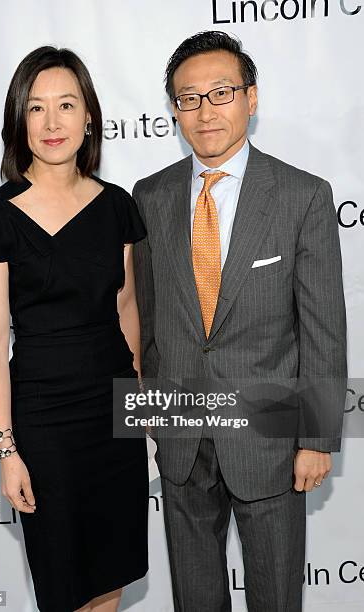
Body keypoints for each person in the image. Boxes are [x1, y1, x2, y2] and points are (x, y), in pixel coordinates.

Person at [133, 31, 346, 612]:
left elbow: (323, 327)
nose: (205, 111)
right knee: (195, 599)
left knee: (276, 597)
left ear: (252, 98)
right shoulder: (148, 197)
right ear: (174, 109)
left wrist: (317, 438)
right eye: (188, 97)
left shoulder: (303, 195)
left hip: (270, 438)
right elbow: (147, 319)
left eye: (221, 92)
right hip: (181, 438)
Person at [0, 46, 148, 612]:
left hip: (114, 414)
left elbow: (128, 310)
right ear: (20, 119)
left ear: (89, 115)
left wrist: (139, 410)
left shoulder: (117, 206)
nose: (52, 122)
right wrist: (6, 450)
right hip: (43, 419)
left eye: (66, 105)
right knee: (62, 584)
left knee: (111, 579)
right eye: (36, 108)